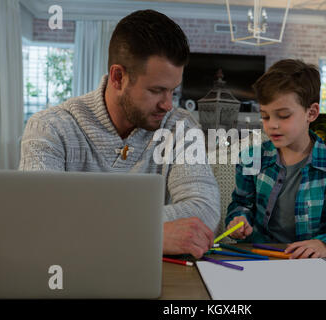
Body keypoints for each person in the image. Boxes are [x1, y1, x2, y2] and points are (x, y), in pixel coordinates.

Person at [19, 10, 220, 259]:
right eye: (157, 90)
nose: (168, 104)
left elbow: (204, 210)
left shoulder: (180, 127)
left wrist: (87, 227)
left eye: (173, 91)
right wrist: (149, 234)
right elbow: (40, 219)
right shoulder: (49, 127)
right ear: (118, 77)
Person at [225, 59, 326, 258]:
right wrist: (239, 220)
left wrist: (324, 244)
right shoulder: (251, 158)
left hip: (309, 263)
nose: (272, 125)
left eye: (283, 116)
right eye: (265, 116)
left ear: (311, 113)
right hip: (259, 257)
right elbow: (241, 204)